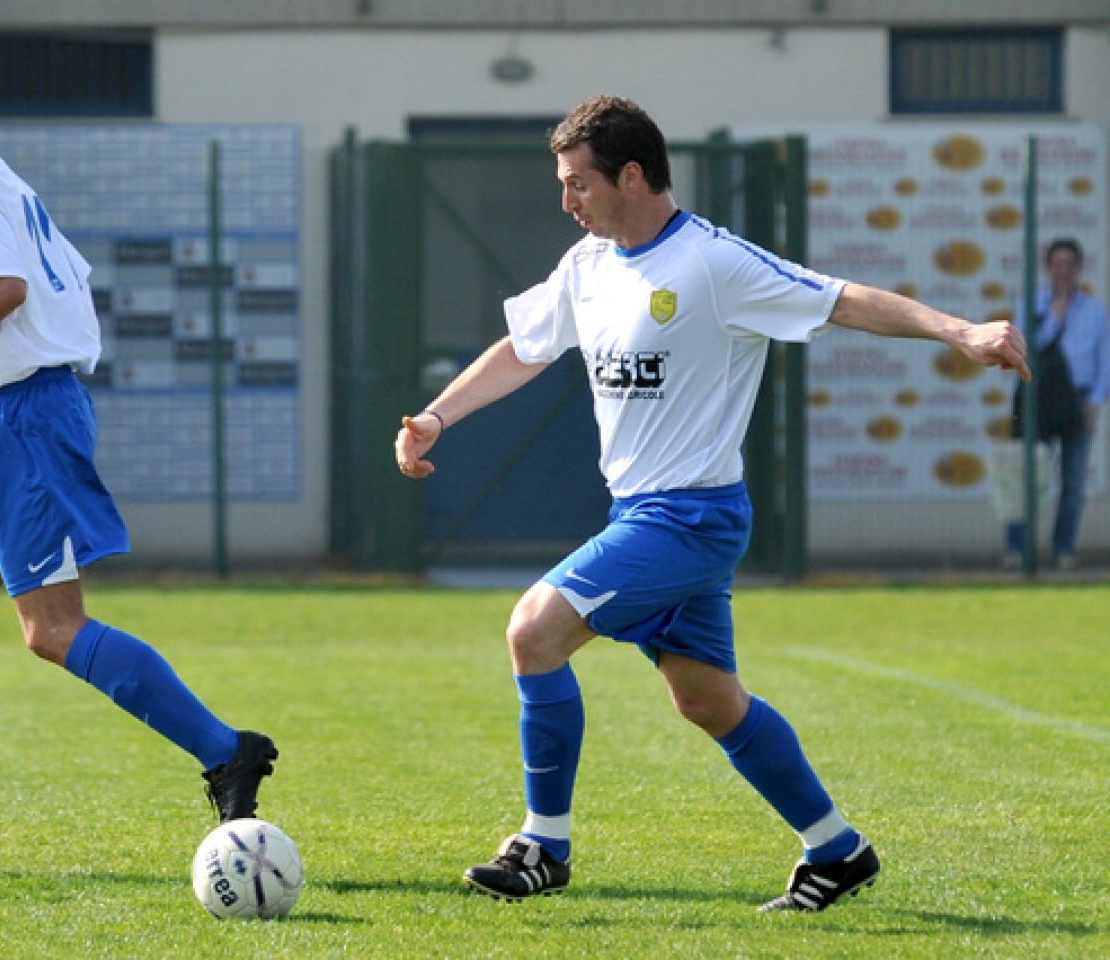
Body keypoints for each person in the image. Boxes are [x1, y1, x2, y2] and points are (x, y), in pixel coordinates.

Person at [395, 94, 1029, 911]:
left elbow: (838, 297)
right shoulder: (587, 268)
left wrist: (959, 331)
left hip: (692, 516)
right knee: (707, 700)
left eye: (577, 183)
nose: (566, 201)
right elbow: (524, 347)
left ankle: (542, 846)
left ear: (630, 175)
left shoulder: (713, 263)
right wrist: (437, 416)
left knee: (533, 630)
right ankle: (838, 849)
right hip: (640, 515)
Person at [0, 23, 278, 878]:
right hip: (8, 414)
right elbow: (56, 297)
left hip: (28, 424)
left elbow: (3, 289)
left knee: (51, 629)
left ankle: (226, 748)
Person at [1004, 237, 1109, 571]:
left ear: (1078, 268)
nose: (1063, 272)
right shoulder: (1030, 304)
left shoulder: (1095, 311)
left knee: (1074, 479)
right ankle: (1017, 549)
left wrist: (1096, 401)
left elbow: (1105, 361)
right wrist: (1055, 318)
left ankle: (1063, 548)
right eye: (1057, 265)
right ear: (1048, 268)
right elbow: (1028, 349)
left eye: (1069, 265)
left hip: (1078, 401)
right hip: (1039, 397)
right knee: (1025, 473)